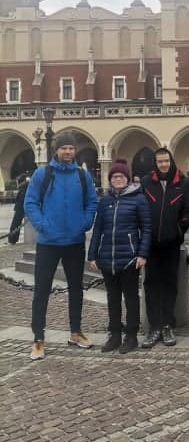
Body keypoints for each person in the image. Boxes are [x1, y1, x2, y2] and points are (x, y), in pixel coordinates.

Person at [24, 132, 98, 361]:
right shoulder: (43, 173)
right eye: (64, 148)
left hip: (74, 242)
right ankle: (38, 338)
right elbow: (30, 202)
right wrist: (42, 225)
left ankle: (76, 332)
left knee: (76, 289)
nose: (68, 152)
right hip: (48, 243)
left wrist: (85, 222)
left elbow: (92, 202)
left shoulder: (82, 175)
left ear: (75, 151)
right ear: (56, 150)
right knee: (41, 291)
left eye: (71, 148)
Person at [88, 160, 151, 354]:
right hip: (107, 257)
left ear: (127, 178)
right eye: (114, 177)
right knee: (113, 298)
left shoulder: (138, 199)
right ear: (110, 179)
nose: (118, 179)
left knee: (131, 298)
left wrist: (142, 254)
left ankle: (131, 336)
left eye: (121, 176)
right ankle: (115, 334)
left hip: (129, 258)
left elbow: (146, 228)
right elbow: (98, 229)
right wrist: (92, 254)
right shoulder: (105, 200)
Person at [140, 148, 189, 349]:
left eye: (166, 161)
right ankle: (155, 326)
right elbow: (140, 209)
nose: (163, 165)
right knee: (151, 284)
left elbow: (188, 211)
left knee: (170, 285)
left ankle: (168, 325)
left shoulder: (183, 183)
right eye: (160, 161)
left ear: (171, 161)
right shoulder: (146, 182)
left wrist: (178, 231)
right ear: (155, 163)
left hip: (171, 244)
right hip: (151, 245)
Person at [8, 173, 30, 245]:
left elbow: (19, 199)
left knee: (15, 224)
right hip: (22, 207)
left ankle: (12, 239)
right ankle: (12, 239)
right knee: (16, 224)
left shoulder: (24, 187)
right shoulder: (26, 186)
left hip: (21, 208)